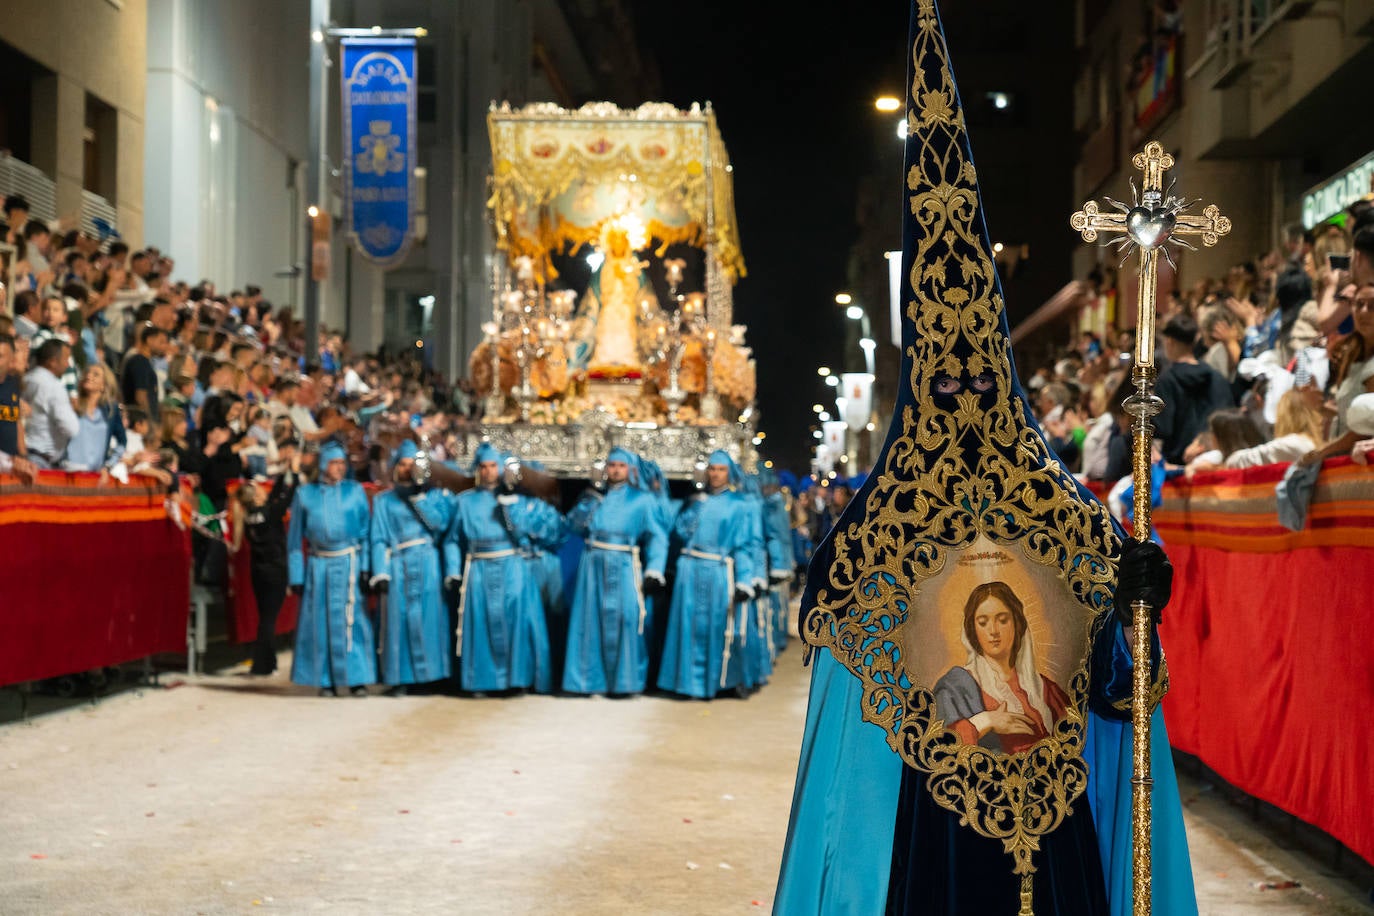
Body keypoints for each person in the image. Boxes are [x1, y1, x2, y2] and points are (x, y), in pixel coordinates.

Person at [442, 442, 565, 694]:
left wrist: (510, 505)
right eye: (483, 467)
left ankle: (515, 680)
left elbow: (535, 532)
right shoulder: (464, 502)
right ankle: (481, 681)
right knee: (480, 622)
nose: (488, 472)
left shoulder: (518, 501)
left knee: (514, 623)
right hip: (478, 567)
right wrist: (453, 572)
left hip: (511, 564)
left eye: (493, 466)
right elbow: (453, 540)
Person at [561, 447, 669, 696]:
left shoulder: (643, 500)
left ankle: (625, 682)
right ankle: (589, 681)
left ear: (630, 470)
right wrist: (592, 497)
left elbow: (657, 537)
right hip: (593, 563)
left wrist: (654, 569)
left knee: (627, 618)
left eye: (621, 465)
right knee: (590, 619)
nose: (615, 470)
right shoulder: (593, 498)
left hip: (624, 563)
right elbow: (573, 526)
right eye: (611, 465)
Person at [656, 449, 760, 699]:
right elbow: (679, 533)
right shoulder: (695, 502)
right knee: (688, 625)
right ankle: (689, 684)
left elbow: (745, 545)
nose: (715, 474)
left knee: (717, 627)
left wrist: (745, 581)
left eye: (721, 469)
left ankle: (717, 682)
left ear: (730, 473)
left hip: (718, 571)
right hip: (690, 571)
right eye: (712, 469)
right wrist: (694, 507)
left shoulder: (739, 505)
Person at [933, 581, 1071, 755]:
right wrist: (984, 721)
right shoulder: (955, 687)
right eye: (983, 622)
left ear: (1017, 623)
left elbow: (1073, 740)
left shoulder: (1045, 689)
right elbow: (937, 747)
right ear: (972, 630)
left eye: (1003, 620)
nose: (993, 630)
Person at [286, 440, 377, 696]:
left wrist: (366, 567)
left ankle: (357, 678)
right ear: (323, 465)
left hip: (349, 562)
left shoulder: (355, 491)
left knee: (354, 620)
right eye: (333, 463)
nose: (338, 468)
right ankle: (326, 680)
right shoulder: (305, 495)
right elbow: (294, 541)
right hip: (319, 565)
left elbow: (365, 531)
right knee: (320, 621)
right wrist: (296, 575)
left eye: (341, 463)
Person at [368, 439, 458, 695]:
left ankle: (433, 675)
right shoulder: (385, 501)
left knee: (431, 617)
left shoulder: (434, 496)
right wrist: (380, 570)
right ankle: (400, 677)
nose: (407, 469)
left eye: (412, 464)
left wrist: (419, 497)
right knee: (400, 620)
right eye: (403, 464)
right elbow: (378, 538)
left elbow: (440, 525)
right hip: (398, 562)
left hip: (427, 560)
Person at [229, 451, 301, 675]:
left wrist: (286, 470)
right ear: (258, 497)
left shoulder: (251, 514)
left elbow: (277, 494)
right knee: (269, 620)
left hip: (258, 572)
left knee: (266, 617)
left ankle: (268, 662)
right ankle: (261, 664)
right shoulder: (270, 513)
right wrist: (295, 473)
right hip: (275, 570)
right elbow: (287, 496)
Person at [1154, 311, 1236, 465]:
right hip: (1213, 460)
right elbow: (1227, 418)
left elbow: (1163, 429)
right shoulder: (1216, 376)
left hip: (1178, 465)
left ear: (1169, 341)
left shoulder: (1166, 381)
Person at [22, 338, 80, 469]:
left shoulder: (25, 380)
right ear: (53, 362)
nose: (68, 365)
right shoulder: (54, 387)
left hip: (23, 455)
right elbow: (71, 428)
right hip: (40, 460)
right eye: (66, 359)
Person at [63, 364, 127, 475]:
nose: (89, 376)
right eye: (87, 373)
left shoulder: (111, 411)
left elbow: (122, 442)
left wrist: (109, 465)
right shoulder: (72, 405)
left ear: (104, 385)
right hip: (69, 471)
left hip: (95, 475)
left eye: (95, 374)